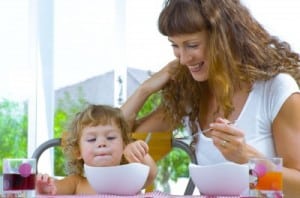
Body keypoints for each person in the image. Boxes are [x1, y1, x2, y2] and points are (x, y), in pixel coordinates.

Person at [121, 0, 300, 197]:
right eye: (175, 46)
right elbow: (114, 139)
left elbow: (297, 189)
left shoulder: (275, 89)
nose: (183, 58)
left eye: (192, 45)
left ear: (224, 39)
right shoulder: (192, 94)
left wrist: (247, 158)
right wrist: (145, 90)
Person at [36, 104, 157, 195]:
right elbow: (54, 189)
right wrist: (44, 188)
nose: (102, 143)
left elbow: (151, 174)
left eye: (110, 137)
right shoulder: (76, 183)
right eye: (91, 139)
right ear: (78, 151)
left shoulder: (130, 178)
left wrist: (140, 154)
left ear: (124, 145)